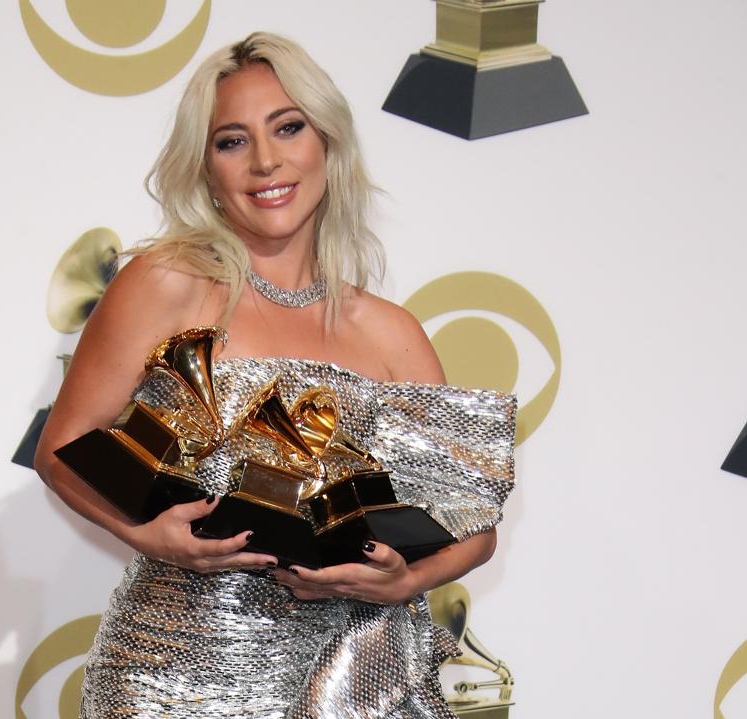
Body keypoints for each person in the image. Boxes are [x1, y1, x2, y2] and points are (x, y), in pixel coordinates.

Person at [35, 32, 515, 719]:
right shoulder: (165, 282)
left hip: (353, 679)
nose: (265, 161)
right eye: (231, 141)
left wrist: (402, 578)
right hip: (173, 677)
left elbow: (473, 526)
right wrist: (146, 537)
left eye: (287, 128)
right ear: (203, 168)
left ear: (325, 141)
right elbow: (62, 447)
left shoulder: (390, 332)